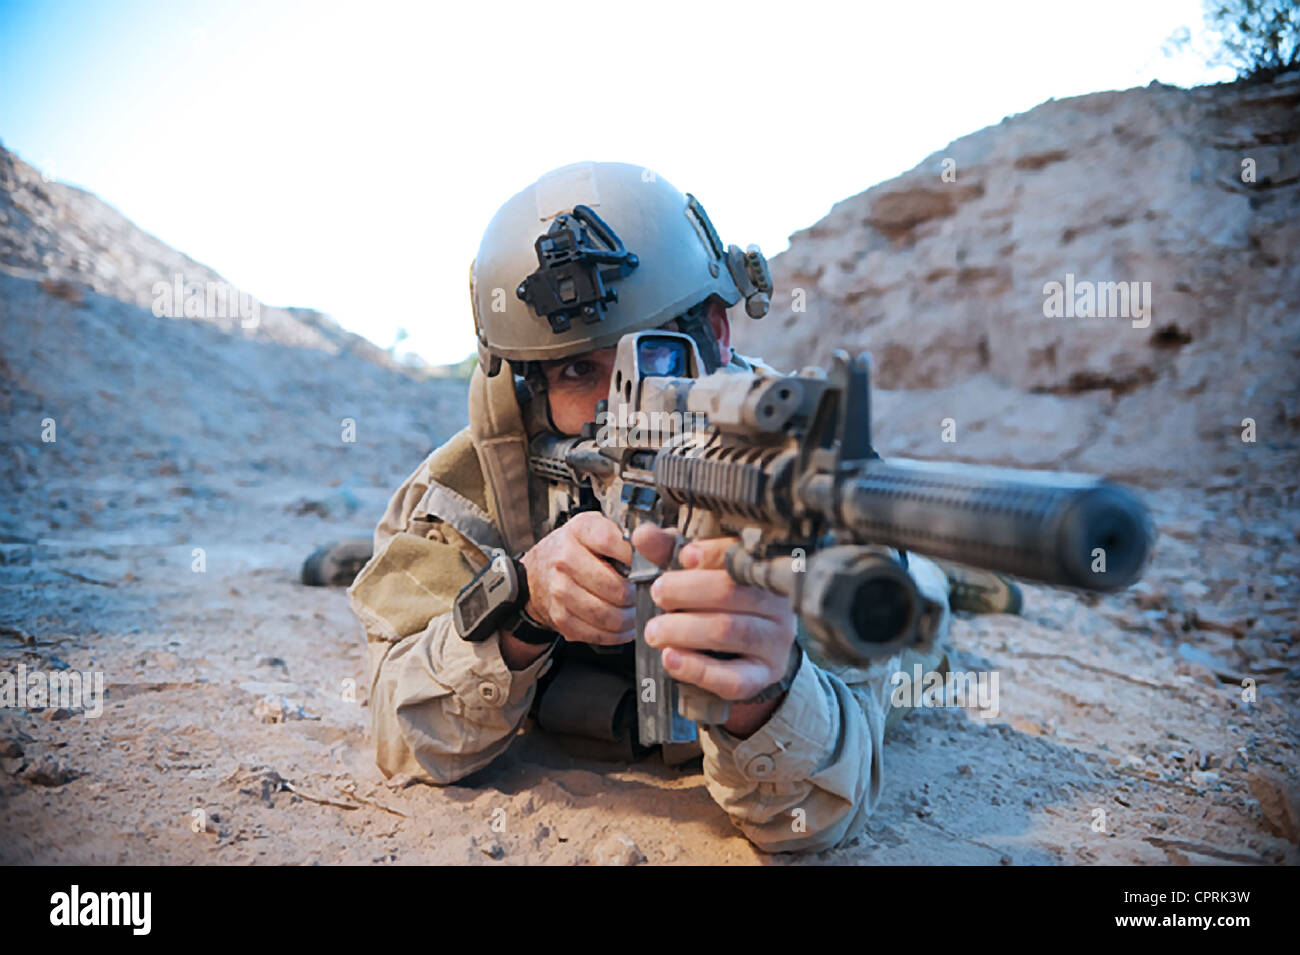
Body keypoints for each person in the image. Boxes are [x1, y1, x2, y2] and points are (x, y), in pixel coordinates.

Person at [346, 161, 1018, 854]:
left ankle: (945, 575)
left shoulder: (798, 474)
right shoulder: (474, 481)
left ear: (717, 334)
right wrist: (522, 604)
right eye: (580, 370)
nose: (627, 399)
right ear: (528, 388)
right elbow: (402, 740)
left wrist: (762, 691)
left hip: (876, 610)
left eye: (654, 355)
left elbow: (816, 817)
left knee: (923, 614)